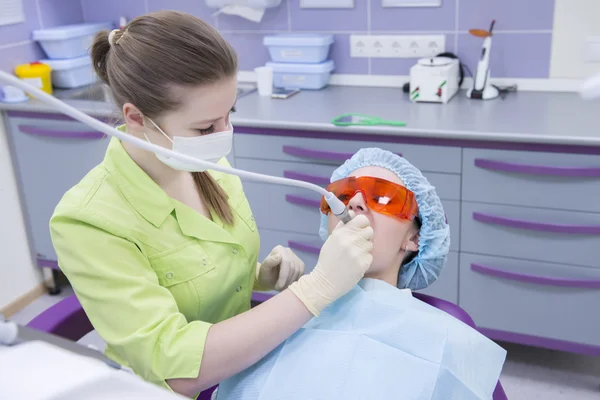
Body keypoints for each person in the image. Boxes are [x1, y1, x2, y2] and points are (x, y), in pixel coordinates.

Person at [49, 10, 374, 398]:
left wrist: (257, 276)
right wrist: (315, 291)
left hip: (243, 369)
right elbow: (175, 370)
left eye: (229, 114)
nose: (224, 136)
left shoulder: (206, 165)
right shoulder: (87, 221)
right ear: (136, 117)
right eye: (205, 128)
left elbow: (191, 272)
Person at [215, 148, 507, 400]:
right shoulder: (279, 319)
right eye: (342, 194)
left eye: (382, 197)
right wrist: (249, 277)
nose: (354, 202)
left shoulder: (448, 339)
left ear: (415, 239)